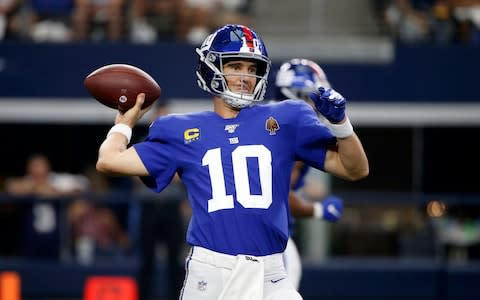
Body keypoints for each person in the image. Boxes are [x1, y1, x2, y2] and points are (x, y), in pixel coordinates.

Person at [95, 24, 369, 299]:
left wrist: (342, 126)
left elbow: (355, 169)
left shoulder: (287, 117)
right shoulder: (179, 129)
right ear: (212, 67)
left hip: (271, 272)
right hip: (212, 271)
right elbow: (109, 161)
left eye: (252, 69)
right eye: (236, 66)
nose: (245, 76)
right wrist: (124, 124)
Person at [274, 58, 345, 290]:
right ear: (294, 94)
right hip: (271, 241)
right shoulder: (291, 135)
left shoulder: (264, 124)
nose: (316, 104)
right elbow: (278, 195)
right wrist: (318, 210)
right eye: (311, 96)